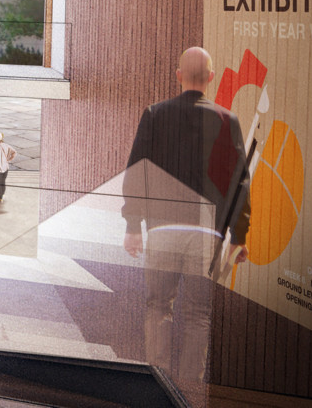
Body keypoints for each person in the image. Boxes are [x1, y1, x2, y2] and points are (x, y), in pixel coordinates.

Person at [121, 46, 251, 402]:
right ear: (210, 78)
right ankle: (190, 395)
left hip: (162, 230)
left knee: (158, 306)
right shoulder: (228, 121)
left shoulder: (154, 114)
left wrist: (133, 224)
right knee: (197, 315)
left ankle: (156, 386)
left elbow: (136, 172)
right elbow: (240, 182)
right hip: (206, 234)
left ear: (178, 76)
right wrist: (238, 236)